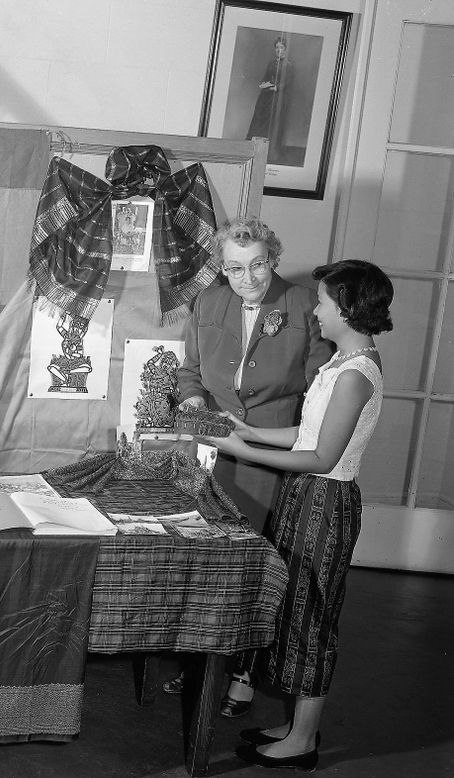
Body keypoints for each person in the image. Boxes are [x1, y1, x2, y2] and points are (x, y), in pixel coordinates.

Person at [197, 260, 393, 770]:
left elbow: (323, 458)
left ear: (348, 309)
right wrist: (247, 431)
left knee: (313, 619)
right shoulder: (338, 363)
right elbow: (306, 436)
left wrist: (242, 452)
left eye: (325, 302)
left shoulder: (356, 373)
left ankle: (303, 738)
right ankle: (294, 724)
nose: (317, 309)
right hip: (304, 497)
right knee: (294, 610)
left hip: (324, 502)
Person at [169, 217, 332, 715]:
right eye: (235, 268)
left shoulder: (306, 305)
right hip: (211, 452)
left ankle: (242, 670)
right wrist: (199, 408)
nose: (248, 279)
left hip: (271, 456)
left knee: (254, 565)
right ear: (222, 267)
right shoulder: (207, 301)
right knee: (204, 559)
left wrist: (267, 434)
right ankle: (198, 658)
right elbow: (189, 373)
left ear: (273, 259)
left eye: (257, 265)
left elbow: (318, 393)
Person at [247, 37, 292, 165]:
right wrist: (263, 84)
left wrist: (275, 87)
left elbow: (287, 83)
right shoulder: (271, 64)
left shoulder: (288, 66)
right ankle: (255, 150)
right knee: (259, 121)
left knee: (272, 124)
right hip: (266, 96)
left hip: (278, 98)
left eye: (281, 48)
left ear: (285, 49)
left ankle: (269, 153)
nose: (279, 50)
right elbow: (265, 78)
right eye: (277, 47)